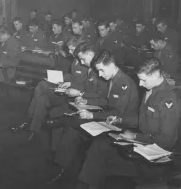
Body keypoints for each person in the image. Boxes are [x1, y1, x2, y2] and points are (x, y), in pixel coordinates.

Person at [76, 57, 181, 189]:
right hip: (142, 146)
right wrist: (121, 120)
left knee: (99, 160)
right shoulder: (151, 90)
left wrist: (135, 137)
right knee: (99, 147)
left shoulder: (168, 99)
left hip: (152, 158)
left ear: (156, 75)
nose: (140, 84)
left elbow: (167, 139)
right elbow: (143, 120)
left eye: (143, 80)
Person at [48, 49, 139, 183]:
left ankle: (85, 182)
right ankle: (62, 167)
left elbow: (117, 113)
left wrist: (92, 115)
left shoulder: (123, 83)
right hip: (108, 119)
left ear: (112, 65)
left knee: (92, 143)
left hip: (120, 125)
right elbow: (106, 102)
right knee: (72, 130)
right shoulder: (113, 79)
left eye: (102, 70)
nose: (100, 75)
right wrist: (86, 102)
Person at [10, 39, 88, 141]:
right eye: (69, 49)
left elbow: (85, 84)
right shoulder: (75, 60)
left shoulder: (85, 63)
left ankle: (28, 121)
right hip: (66, 89)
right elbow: (72, 76)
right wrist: (61, 79)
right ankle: (32, 128)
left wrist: (69, 83)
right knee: (41, 90)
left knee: (41, 89)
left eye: (72, 49)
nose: (69, 52)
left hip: (73, 95)